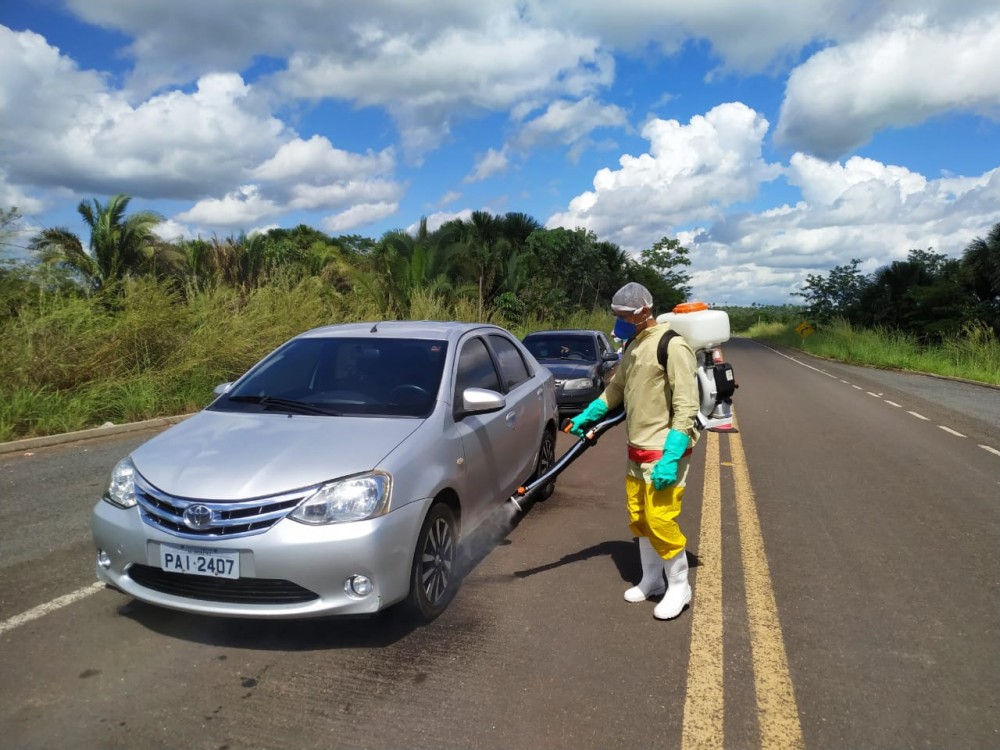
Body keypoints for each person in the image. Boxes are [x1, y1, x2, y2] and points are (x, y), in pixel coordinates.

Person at [569, 282, 701, 620]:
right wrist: (589, 414)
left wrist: (672, 456)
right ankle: (652, 580)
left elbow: (687, 406)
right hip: (636, 449)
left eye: (624, 316)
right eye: (616, 316)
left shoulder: (672, 346)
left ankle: (679, 587)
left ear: (643, 311)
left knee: (660, 519)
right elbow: (617, 388)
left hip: (663, 452)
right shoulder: (634, 346)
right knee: (640, 519)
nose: (619, 323)